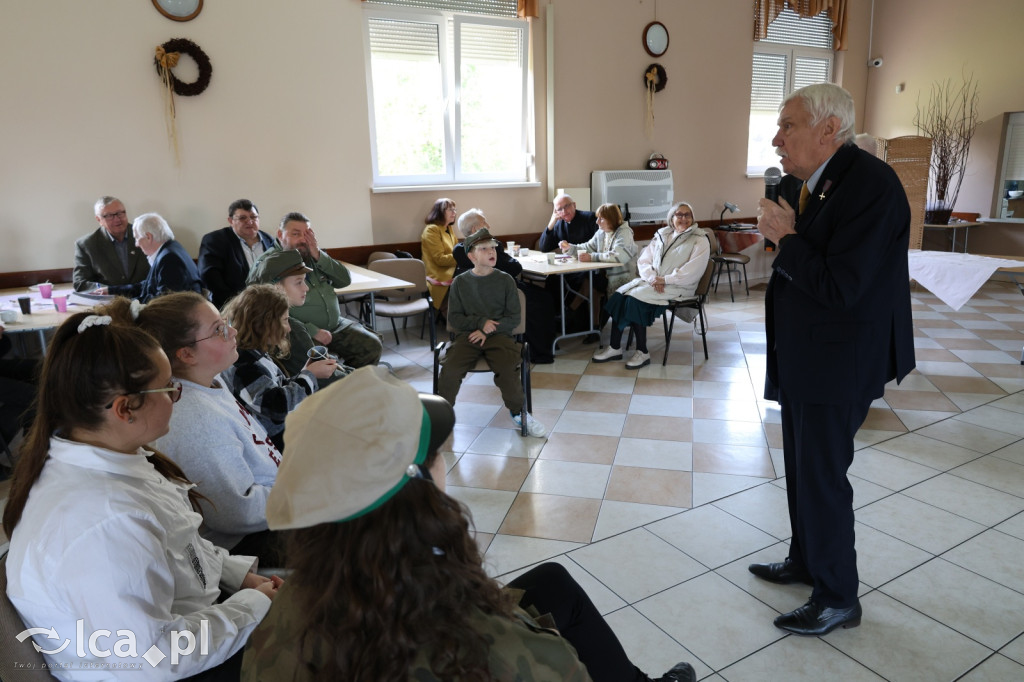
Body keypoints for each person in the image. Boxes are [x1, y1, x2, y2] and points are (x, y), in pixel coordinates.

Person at [240, 366, 696, 682]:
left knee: (551, 581)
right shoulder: (520, 658)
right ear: (416, 486)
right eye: (436, 453)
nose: (444, 464)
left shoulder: (280, 616)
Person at [2, 298, 279, 679]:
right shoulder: (105, 520)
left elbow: (184, 547)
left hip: (192, 629)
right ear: (124, 408)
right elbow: (155, 658)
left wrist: (237, 575)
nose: (176, 397)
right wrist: (252, 605)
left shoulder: (117, 457)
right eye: (167, 389)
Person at [750, 83, 915, 636]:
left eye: (787, 126)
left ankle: (839, 595)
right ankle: (806, 559)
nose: (776, 139)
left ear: (829, 130)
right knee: (800, 467)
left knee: (822, 475)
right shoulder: (809, 182)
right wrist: (786, 237)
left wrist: (787, 240)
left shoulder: (871, 187)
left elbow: (843, 285)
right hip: (805, 354)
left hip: (838, 359)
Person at [138, 291, 286, 564]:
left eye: (226, 322)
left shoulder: (209, 382)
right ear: (186, 354)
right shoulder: (195, 419)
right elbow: (235, 512)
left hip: (273, 508)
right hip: (248, 542)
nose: (233, 331)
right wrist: (303, 492)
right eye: (219, 330)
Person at [437, 228, 546, 438]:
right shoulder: (460, 282)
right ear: (471, 256)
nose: (491, 252)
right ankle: (441, 416)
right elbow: (454, 319)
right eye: (484, 248)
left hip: (500, 336)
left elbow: (514, 319)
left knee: (507, 369)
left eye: (493, 247)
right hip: (467, 337)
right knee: (450, 370)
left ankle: (519, 413)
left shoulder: (506, 280)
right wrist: (480, 324)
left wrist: (488, 330)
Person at [248, 212, 382, 368]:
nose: (302, 240)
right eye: (295, 234)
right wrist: (312, 330)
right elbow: (264, 309)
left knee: (372, 346)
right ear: (280, 234)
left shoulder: (312, 255)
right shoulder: (270, 263)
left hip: (335, 325)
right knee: (325, 367)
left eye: (307, 234)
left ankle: (353, 386)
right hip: (299, 332)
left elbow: (344, 280)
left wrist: (318, 254)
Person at [592, 202, 710, 370]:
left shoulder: (700, 239)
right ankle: (615, 347)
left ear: (692, 218)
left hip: (679, 287)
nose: (683, 218)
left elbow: (693, 271)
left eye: (687, 215)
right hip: (654, 283)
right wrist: (654, 278)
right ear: (671, 217)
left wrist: (666, 280)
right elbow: (643, 260)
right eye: (679, 214)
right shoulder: (662, 235)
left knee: (634, 300)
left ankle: (642, 351)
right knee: (619, 295)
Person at [220, 284, 337, 452]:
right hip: (277, 442)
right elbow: (276, 406)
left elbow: (277, 388)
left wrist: (306, 372)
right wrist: (310, 375)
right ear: (263, 324)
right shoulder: (244, 365)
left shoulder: (255, 354)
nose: (289, 328)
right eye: (285, 321)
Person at [454, 208, 556, 364]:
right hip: (501, 295)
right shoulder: (489, 248)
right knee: (544, 299)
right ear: (475, 229)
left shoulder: (459, 250)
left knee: (537, 295)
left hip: (477, 297)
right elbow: (515, 268)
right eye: (484, 222)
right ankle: (541, 351)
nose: (488, 225)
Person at [247, 248, 351, 386]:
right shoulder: (291, 330)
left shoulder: (257, 320)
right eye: (298, 282)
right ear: (276, 287)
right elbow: (326, 379)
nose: (306, 288)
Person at [559, 202, 638, 339]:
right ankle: (592, 326)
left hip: (623, 279)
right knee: (590, 282)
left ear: (612, 219)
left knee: (591, 282)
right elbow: (588, 247)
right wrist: (569, 248)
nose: (597, 221)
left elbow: (619, 256)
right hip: (606, 276)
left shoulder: (624, 233)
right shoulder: (602, 232)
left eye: (601, 218)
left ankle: (572, 314)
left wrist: (592, 257)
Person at [101, 212, 205, 303]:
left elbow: (161, 302)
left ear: (148, 237)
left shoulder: (169, 259)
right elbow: (148, 286)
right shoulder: (171, 248)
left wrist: (122, 304)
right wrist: (112, 291)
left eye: (137, 238)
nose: (136, 244)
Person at [199, 199, 276, 307]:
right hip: (232, 305)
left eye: (253, 217)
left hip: (269, 304)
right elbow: (210, 276)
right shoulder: (215, 240)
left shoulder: (269, 240)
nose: (249, 222)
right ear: (231, 221)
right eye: (242, 218)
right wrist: (238, 303)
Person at [72, 195, 150, 292]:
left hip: (147, 297)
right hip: (109, 302)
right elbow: (80, 282)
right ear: (99, 220)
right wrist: (107, 290)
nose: (117, 219)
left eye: (120, 213)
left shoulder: (145, 234)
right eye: (109, 216)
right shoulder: (87, 245)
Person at [420, 197, 459, 314]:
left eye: (454, 209)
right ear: (440, 212)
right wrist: (465, 257)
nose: (454, 212)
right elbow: (440, 260)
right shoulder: (431, 230)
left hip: (452, 270)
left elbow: (456, 251)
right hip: (438, 274)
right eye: (450, 210)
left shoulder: (448, 228)